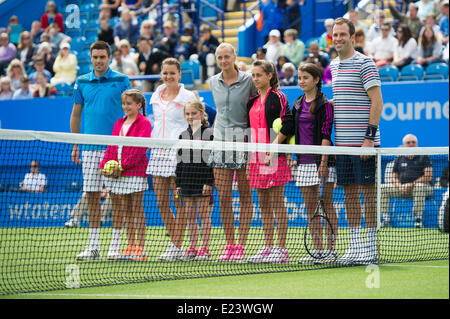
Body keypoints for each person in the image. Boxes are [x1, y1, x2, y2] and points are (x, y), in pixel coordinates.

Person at [71, 41, 131, 261]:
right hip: (89, 148)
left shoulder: (122, 80)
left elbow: (132, 112)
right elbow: (76, 114)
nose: (98, 61)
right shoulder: (81, 82)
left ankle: (115, 246)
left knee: (117, 197)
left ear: (109, 57)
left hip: (116, 149)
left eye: (102, 57)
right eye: (95, 57)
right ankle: (94, 246)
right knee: (92, 196)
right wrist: (76, 144)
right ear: (91, 58)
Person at [330, 18, 383, 265]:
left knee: (368, 194)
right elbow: (342, 100)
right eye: (335, 34)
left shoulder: (366, 63)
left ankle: (370, 248)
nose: (338, 38)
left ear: (352, 37)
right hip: (341, 145)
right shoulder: (333, 66)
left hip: (364, 144)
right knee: (349, 194)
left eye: (342, 34)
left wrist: (368, 140)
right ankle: (355, 246)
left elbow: (377, 102)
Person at [207, 43, 257, 262]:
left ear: (234, 57)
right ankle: (229, 244)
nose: (223, 61)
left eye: (227, 57)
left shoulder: (249, 81)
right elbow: (219, 113)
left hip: (244, 143)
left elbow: (257, 109)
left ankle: (241, 246)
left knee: (246, 196)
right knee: (224, 197)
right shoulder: (212, 82)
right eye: (220, 57)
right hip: (220, 143)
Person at [145, 58, 196, 261]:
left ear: (179, 74)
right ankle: (175, 243)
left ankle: (176, 244)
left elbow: (197, 124)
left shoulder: (188, 96)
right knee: (161, 200)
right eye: (165, 73)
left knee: (179, 201)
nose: (168, 77)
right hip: (158, 153)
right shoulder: (156, 94)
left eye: (172, 73)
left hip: (179, 155)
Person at [288, 63, 337, 264]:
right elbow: (294, 132)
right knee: (311, 208)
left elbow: (326, 133)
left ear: (316, 80)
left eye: (305, 77)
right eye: (299, 78)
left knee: (326, 205)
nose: (301, 81)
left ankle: (331, 250)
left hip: (322, 161)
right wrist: (293, 157)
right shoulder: (298, 103)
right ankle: (317, 251)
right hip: (303, 162)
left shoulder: (325, 104)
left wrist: (323, 162)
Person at [245, 59, 292, 264]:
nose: (255, 79)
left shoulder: (279, 97)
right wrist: (249, 159)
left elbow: (288, 124)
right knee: (263, 203)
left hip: (274, 156)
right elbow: (250, 132)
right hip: (256, 157)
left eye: (259, 75)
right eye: (253, 75)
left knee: (276, 202)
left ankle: (281, 249)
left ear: (270, 76)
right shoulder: (251, 101)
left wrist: (273, 149)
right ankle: (268, 246)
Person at [100, 89, 152, 261]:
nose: (125, 106)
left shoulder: (144, 123)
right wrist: (103, 167)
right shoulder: (118, 124)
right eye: (124, 103)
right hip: (119, 175)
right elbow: (112, 147)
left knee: (137, 209)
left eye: (129, 103)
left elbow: (139, 150)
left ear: (138, 105)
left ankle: (141, 248)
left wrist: (121, 167)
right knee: (126, 210)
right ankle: (130, 246)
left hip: (135, 172)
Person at [175, 98, 215, 261]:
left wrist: (209, 182)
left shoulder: (209, 134)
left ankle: (205, 249)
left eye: (194, 113)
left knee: (204, 215)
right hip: (186, 180)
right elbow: (180, 161)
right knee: (190, 215)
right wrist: (178, 184)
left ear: (202, 113)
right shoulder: (183, 135)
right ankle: (192, 248)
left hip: (202, 180)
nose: (190, 116)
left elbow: (211, 160)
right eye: (188, 114)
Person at [380, 134, 433, 228]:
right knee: (383, 188)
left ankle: (418, 219)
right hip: (402, 189)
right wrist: (399, 186)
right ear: (404, 145)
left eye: (413, 142)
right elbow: (393, 177)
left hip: (423, 188)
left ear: (417, 144)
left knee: (419, 187)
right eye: (408, 142)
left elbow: (428, 176)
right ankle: (385, 219)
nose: (411, 144)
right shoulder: (399, 158)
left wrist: (411, 184)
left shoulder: (424, 156)